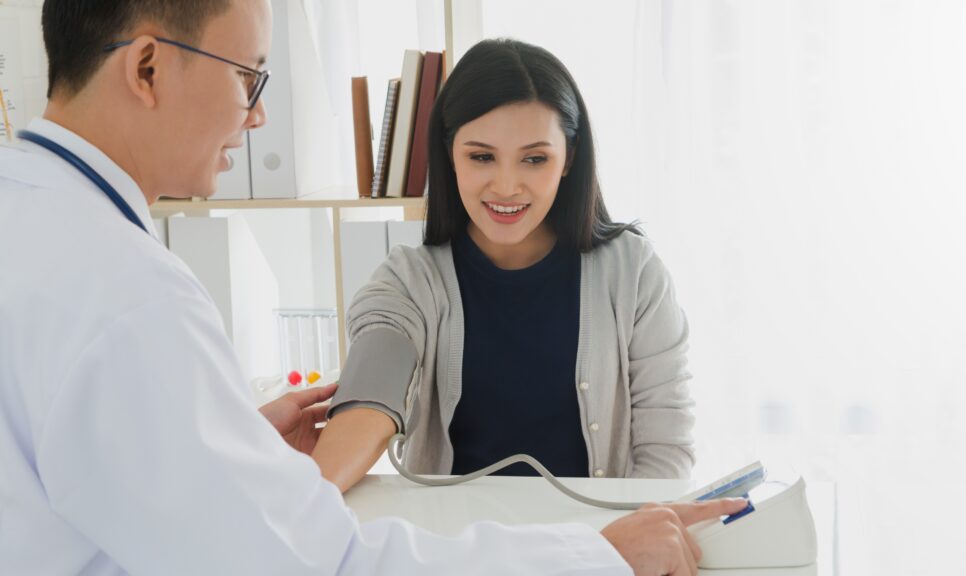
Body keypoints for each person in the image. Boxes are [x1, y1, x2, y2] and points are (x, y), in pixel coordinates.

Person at [0, 1, 744, 574]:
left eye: (536, 159)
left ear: (571, 161)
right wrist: (598, 556)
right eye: (247, 76)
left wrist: (233, 454)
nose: (257, 115)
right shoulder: (136, 294)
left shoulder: (35, 220)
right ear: (149, 68)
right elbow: (328, 541)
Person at [314, 39, 695, 491]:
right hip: (461, 553)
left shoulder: (633, 272)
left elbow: (666, 452)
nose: (507, 186)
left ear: (568, 159)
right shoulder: (409, 282)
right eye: (481, 157)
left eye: (535, 159)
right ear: (450, 154)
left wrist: (617, 546)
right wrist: (303, 504)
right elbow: (369, 399)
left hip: (599, 547)